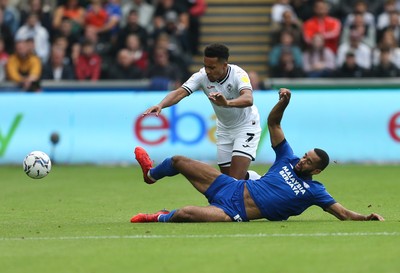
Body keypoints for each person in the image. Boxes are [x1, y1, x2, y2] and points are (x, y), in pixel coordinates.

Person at [131, 88, 385, 223]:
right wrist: (284, 102)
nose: (303, 160)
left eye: (309, 161)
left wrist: (365, 217)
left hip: (234, 212)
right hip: (229, 185)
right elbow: (274, 125)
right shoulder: (287, 158)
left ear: (316, 171)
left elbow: (342, 213)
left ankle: (158, 217)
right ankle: (151, 175)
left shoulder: (314, 191)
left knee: (186, 213)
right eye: (305, 155)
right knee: (178, 161)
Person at [142, 43, 261, 180]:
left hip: (246, 126)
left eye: (212, 67)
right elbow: (180, 92)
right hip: (225, 129)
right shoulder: (201, 75)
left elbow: (248, 98)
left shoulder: (238, 74)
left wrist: (227, 103)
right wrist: (161, 105)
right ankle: (261, 181)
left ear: (224, 65)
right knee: (228, 178)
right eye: (205, 66)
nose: (207, 71)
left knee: (234, 180)